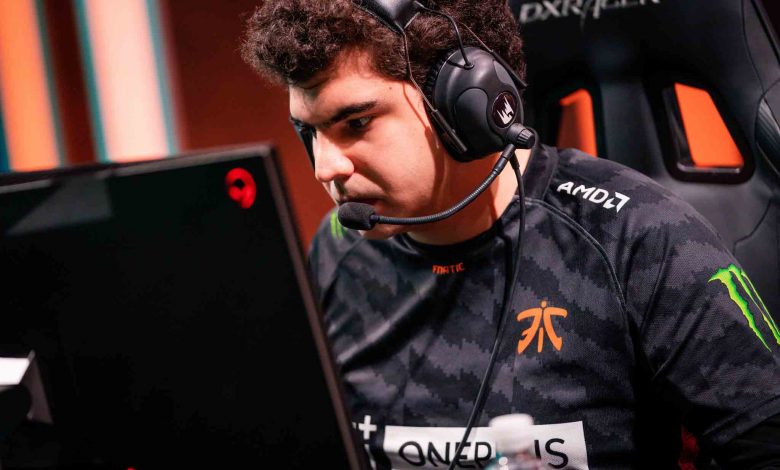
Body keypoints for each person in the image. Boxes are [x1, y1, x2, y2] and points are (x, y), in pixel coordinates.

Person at [241, 0, 780, 467]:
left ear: (462, 103)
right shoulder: (337, 254)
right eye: (309, 132)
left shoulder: (636, 237)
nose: (325, 168)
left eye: (356, 123)